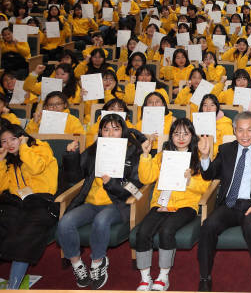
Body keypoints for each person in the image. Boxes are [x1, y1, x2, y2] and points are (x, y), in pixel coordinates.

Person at [57, 114, 146, 290]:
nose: (110, 133)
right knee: (65, 222)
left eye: (115, 129)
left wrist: (112, 184)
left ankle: (98, 262)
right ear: (100, 132)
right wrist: (71, 156)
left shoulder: (133, 152)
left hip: (117, 203)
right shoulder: (93, 150)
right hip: (90, 203)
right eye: (106, 129)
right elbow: (74, 178)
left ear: (123, 131)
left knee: (101, 220)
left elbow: (136, 189)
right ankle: (77, 264)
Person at [196, 111, 251, 292]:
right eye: (240, 130)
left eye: (249, 130)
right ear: (234, 131)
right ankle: (204, 277)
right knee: (207, 226)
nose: (244, 135)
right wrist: (204, 157)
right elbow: (210, 174)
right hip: (230, 204)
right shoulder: (226, 149)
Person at [134, 118, 210, 291]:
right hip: (161, 204)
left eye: (186, 133)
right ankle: (145, 278)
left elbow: (205, 187)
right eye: (177, 134)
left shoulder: (197, 157)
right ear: (171, 136)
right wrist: (146, 156)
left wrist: (190, 181)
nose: (181, 137)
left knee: (166, 230)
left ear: (192, 136)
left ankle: (163, 275)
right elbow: (146, 179)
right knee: (143, 232)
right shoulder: (162, 156)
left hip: (185, 206)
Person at [0, 125, 59, 289]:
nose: (9, 144)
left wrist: (24, 147)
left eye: (12, 139)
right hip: (17, 203)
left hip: (41, 202)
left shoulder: (40, 148)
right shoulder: (10, 160)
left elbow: (37, 167)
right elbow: (2, 187)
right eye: (4, 142)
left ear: (22, 136)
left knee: (25, 234)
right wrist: (0, 162)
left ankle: (13, 287)